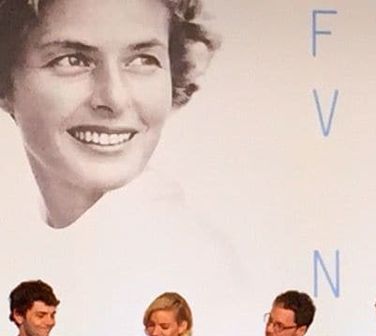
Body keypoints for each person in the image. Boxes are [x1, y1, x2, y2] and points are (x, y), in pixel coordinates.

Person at [0, 0, 216, 228]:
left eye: (143, 60)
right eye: (72, 60)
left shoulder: (183, 251)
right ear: (6, 84)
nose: (115, 98)